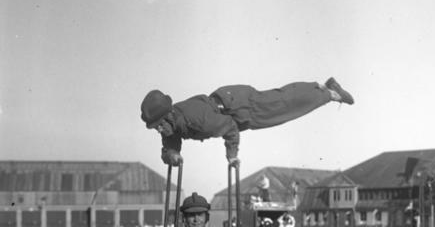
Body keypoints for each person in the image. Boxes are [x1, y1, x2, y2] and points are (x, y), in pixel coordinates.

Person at [140, 76, 354, 166]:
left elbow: (230, 128)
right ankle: (323, 89)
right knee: (283, 102)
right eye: (154, 127)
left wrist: (232, 156)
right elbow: (170, 142)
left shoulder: (196, 120)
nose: (158, 130)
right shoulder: (171, 125)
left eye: (158, 124)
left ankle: (329, 93)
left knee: (284, 106)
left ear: (167, 116)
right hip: (231, 101)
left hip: (241, 106)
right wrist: (172, 155)